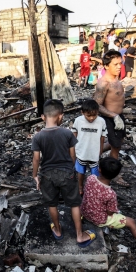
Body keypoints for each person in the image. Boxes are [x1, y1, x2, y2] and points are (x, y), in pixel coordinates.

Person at [31, 99, 96, 246]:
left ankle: (58, 230)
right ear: (61, 116)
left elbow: (36, 159)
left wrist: (35, 176)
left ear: (43, 117)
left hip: (47, 175)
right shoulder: (67, 133)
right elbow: (73, 155)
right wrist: (71, 170)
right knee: (74, 204)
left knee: (52, 204)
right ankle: (80, 235)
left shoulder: (38, 137)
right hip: (67, 173)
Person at [94, 50, 126, 161]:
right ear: (106, 66)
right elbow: (97, 105)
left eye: (120, 63)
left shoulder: (116, 79)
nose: (119, 67)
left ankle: (95, 151)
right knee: (116, 147)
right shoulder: (104, 83)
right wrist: (114, 116)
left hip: (119, 116)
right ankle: (114, 175)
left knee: (119, 142)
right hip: (110, 118)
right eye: (115, 64)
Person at [72, 99, 107, 194]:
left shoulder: (101, 121)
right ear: (82, 112)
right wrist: (73, 150)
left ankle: (94, 189)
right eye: (88, 115)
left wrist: (100, 150)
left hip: (94, 152)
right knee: (80, 171)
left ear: (98, 113)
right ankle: (80, 187)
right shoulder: (78, 121)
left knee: (95, 173)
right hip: (81, 151)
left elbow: (102, 137)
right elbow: (74, 135)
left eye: (94, 115)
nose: (91, 118)